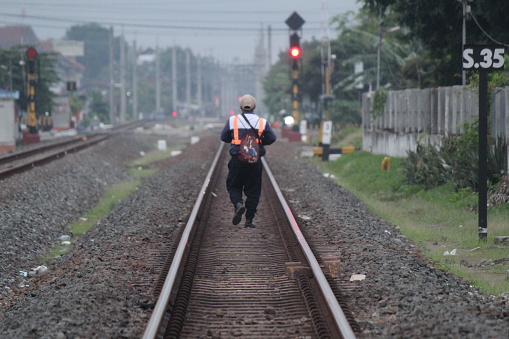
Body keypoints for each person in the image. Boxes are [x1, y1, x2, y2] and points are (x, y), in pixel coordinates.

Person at [220, 94, 277, 228]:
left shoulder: (233, 120)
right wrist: (259, 142)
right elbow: (272, 138)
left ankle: (238, 204)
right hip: (254, 161)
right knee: (254, 190)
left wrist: (236, 142)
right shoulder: (262, 122)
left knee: (234, 186)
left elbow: (224, 137)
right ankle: (249, 220)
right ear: (254, 107)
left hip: (237, 160)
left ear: (241, 107)